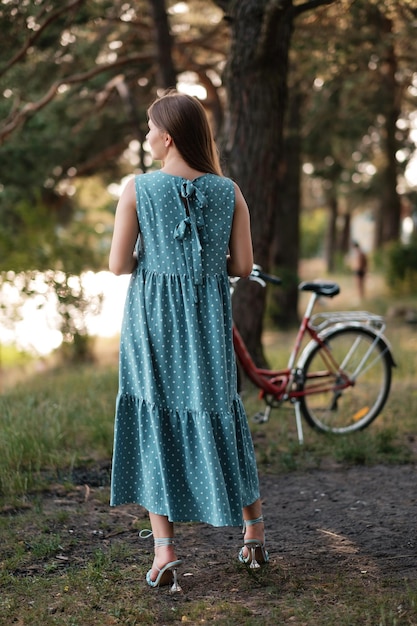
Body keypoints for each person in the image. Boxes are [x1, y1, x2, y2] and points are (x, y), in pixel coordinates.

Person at [109, 90, 268, 591]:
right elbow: (242, 267)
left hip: (153, 319)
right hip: (208, 320)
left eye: (150, 128)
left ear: (168, 137)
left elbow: (117, 265)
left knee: (156, 414)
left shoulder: (138, 189)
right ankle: (254, 532)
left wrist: (158, 260)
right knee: (222, 409)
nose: (147, 135)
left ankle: (165, 551)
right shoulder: (230, 190)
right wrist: (199, 269)